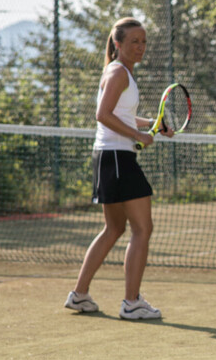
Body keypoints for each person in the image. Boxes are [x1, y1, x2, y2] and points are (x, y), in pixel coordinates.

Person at [64, 17, 171, 320]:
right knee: (142, 228)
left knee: (114, 229)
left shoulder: (119, 72)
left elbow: (119, 115)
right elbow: (102, 114)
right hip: (116, 158)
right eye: (134, 41)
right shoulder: (119, 73)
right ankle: (132, 302)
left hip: (109, 157)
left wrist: (152, 124)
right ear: (118, 43)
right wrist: (139, 136)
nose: (140, 47)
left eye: (144, 41)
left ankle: (79, 295)